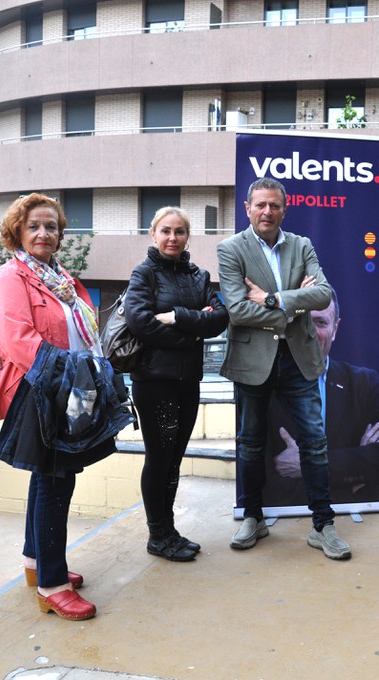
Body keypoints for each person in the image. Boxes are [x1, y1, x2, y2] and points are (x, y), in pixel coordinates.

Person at [0, 193, 121, 621]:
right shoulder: (11, 277)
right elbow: (17, 340)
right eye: (34, 226)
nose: (43, 233)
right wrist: (72, 372)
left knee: (49, 478)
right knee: (55, 482)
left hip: (67, 389)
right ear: (18, 233)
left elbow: (81, 330)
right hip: (43, 392)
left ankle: (35, 563)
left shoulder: (58, 277)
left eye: (51, 226)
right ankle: (52, 584)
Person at [217, 177, 351, 560]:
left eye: (274, 205)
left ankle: (323, 525)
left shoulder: (302, 245)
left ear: (284, 210)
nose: (267, 211)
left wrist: (273, 299)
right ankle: (253, 518)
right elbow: (237, 309)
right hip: (252, 361)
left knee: (314, 443)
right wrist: (293, 307)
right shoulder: (231, 249)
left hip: (299, 359)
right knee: (250, 443)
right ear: (247, 208)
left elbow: (322, 294)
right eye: (260, 205)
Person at [125, 206, 229, 562]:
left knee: (174, 460)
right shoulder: (144, 274)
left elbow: (220, 319)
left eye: (179, 231)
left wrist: (176, 317)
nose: (173, 238)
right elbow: (141, 323)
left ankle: (168, 531)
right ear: (153, 234)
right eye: (166, 231)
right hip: (154, 382)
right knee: (160, 459)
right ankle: (158, 535)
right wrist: (192, 334)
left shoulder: (199, 276)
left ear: (187, 236)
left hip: (188, 381)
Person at [263, 290, 379, 506]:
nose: (310, 332)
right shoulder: (263, 388)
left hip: (357, 519)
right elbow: (264, 482)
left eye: (320, 322)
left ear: (335, 329)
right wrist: (352, 476)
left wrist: (307, 465)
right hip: (289, 519)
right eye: (302, 322)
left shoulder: (365, 384)